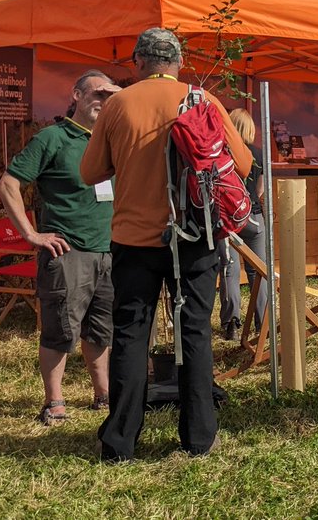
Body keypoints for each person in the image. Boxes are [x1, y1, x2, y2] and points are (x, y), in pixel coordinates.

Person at [81, 28, 251, 461]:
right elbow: (244, 164)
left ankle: (119, 443)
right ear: (178, 63)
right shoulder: (202, 99)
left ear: (139, 62)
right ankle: (198, 438)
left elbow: (90, 173)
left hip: (134, 241)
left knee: (131, 336)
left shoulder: (118, 104)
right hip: (196, 238)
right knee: (194, 332)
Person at [0, 70, 121, 425]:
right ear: (76, 95)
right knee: (61, 330)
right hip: (67, 253)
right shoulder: (53, 138)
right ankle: (54, 401)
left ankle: (103, 394)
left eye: (109, 96)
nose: (103, 101)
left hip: (109, 252)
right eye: (97, 93)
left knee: (101, 329)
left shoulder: (111, 139)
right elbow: (8, 185)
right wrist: (32, 235)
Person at [218, 108, 268, 340]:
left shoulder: (222, 152)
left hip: (228, 218)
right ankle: (263, 323)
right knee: (259, 272)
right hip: (253, 218)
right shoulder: (258, 153)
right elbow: (260, 191)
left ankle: (232, 324)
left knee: (229, 269)